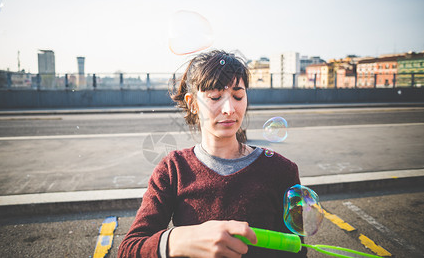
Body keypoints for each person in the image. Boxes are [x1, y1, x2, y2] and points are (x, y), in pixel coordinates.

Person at [118, 50, 306, 257]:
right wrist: (179, 240)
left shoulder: (282, 170)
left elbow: (296, 250)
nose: (229, 108)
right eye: (215, 97)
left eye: (238, 96)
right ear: (192, 103)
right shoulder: (173, 169)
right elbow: (129, 249)